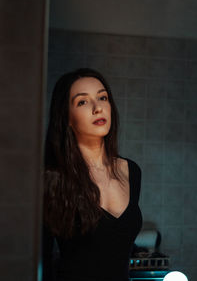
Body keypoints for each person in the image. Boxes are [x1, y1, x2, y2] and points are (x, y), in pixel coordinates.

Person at [42, 68, 142, 281]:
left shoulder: (131, 171)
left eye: (102, 97)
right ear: (67, 117)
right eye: (82, 102)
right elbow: (42, 257)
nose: (98, 108)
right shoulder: (52, 178)